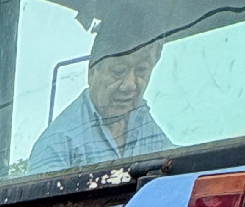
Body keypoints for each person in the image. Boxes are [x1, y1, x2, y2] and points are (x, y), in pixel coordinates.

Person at [28, 25, 172, 175]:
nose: (130, 85)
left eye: (141, 70)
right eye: (119, 71)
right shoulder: (56, 144)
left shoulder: (143, 120)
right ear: (92, 71)